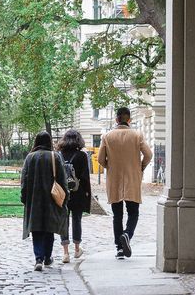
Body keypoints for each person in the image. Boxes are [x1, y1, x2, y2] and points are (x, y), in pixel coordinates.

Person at [97, 106, 153, 259]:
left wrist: (111, 166)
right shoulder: (137, 135)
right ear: (130, 119)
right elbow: (148, 154)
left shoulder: (107, 137)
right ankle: (127, 234)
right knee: (133, 212)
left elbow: (101, 159)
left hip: (114, 180)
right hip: (132, 179)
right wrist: (140, 167)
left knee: (117, 215)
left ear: (116, 119)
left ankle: (119, 248)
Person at [20, 131, 71, 271]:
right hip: (51, 199)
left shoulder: (30, 158)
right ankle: (47, 257)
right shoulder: (55, 157)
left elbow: (23, 180)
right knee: (49, 228)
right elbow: (62, 179)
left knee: (36, 229)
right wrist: (65, 197)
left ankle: (38, 258)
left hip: (34, 198)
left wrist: (24, 198)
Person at [57, 129, 91, 263]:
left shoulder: (58, 155)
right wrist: (87, 192)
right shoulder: (82, 156)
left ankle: (65, 253)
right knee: (77, 220)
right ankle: (77, 249)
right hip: (78, 193)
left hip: (62, 193)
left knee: (64, 221)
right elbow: (85, 177)